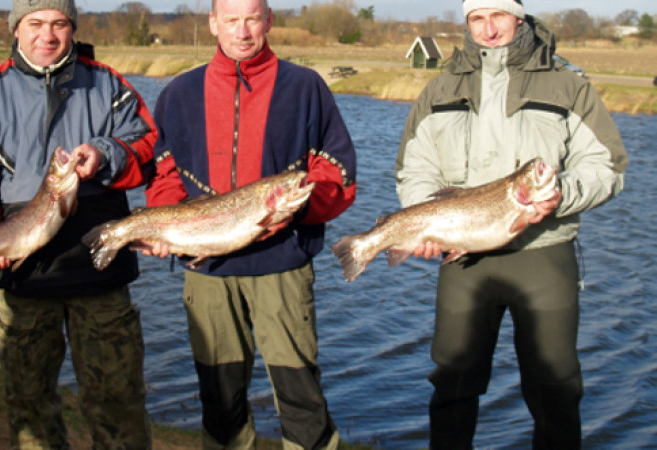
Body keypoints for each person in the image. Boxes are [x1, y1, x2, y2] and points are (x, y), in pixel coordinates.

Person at [396, 1, 628, 448]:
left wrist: (562, 194)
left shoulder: (567, 84)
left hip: (545, 253)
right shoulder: (440, 87)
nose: (489, 28)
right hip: (464, 260)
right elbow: (414, 168)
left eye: (499, 15)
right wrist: (427, 224)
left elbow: (607, 166)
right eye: (477, 18)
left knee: (556, 387)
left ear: (519, 18)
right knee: (452, 381)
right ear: (467, 23)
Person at [141, 0, 357, 447]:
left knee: (302, 397)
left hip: (283, 266)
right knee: (219, 402)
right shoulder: (179, 93)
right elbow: (163, 176)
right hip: (208, 271)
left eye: (252, 19)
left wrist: (295, 210)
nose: (242, 31)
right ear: (213, 24)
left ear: (269, 21)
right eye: (232, 20)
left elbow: (338, 174)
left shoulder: (306, 87)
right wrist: (166, 231)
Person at [0, 0, 158, 447]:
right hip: (24, 279)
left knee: (119, 406)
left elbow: (147, 147)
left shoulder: (108, 84)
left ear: (72, 28)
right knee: (30, 408)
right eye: (35, 23)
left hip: (100, 275)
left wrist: (104, 154)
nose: (48, 34)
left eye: (59, 23)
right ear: (15, 29)